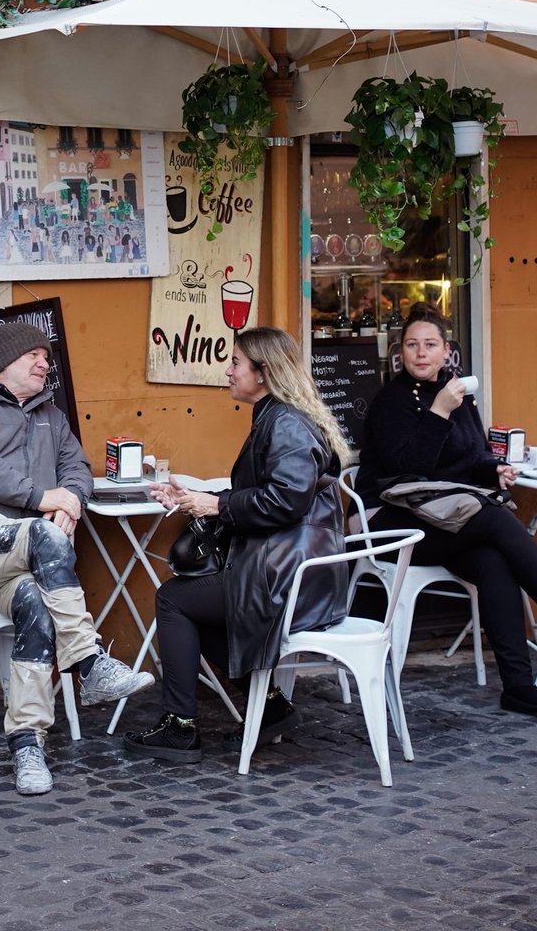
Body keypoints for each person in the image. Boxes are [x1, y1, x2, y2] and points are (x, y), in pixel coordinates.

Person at [355, 306, 537, 722]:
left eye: (430, 344)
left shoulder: (456, 393)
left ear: (446, 351)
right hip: (391, 521)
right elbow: (408, 470)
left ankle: (519, 687)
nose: (421, 353)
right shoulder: (391, 401)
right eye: (412, 345)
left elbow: (474, 454)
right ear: (401, 352)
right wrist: (439, 412)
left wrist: (493, 469)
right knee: (493, 518)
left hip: (440, 517)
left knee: (493, 562)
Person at [0, 321, 154, 795]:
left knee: (36, 601)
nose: (43, 363)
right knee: (42, 533)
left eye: (46, 357)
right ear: (4, 361)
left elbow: (77, 468)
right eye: (33, 354)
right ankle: (88, 660)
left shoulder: (52, 415)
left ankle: (27, 743)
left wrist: (69, 501)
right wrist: (42, 498)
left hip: (22, 562)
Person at [124, 326, 351, 762]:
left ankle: (180, 727)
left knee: (174, 599)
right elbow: (265, 493)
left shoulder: (285, 423)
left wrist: (215, 505)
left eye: (235, 363)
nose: (227, 371)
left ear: (262, 373)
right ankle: (269, 706)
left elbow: (284, 500)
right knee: (196, 605)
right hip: (292, 572)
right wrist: (195, 497)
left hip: (287, 580)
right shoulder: (279, 416)